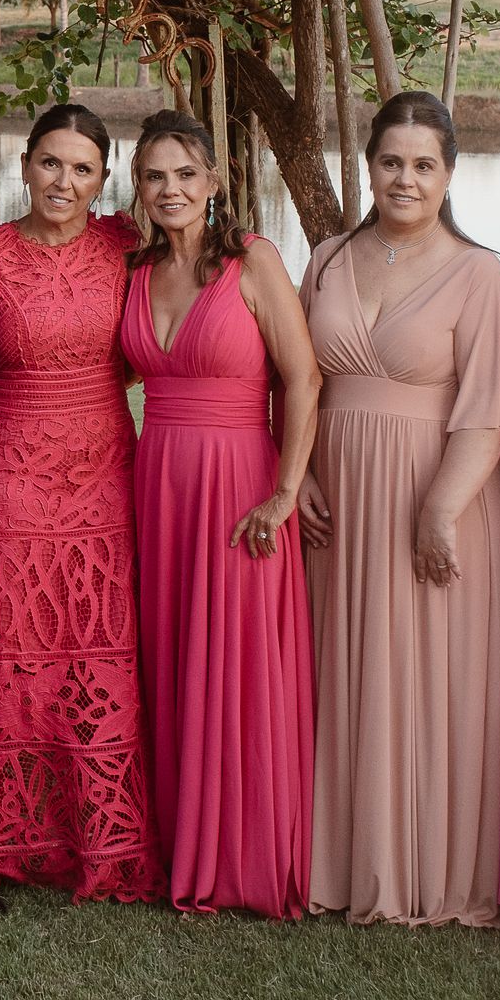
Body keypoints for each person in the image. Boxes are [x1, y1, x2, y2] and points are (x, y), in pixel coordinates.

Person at [296, 94, 500, 929]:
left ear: (450, 174)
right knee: (346, 676)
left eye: (425, 164)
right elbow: (302, 382)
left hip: (442, 496)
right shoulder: (325, 259)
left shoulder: (479, 272)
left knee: (429, 683)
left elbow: (490, 407)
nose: (406, 177)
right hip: (340, 503)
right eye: (392, 161)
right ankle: (344, 864)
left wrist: (439, 509)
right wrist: (301, 475)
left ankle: (427, 870)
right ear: (369, 166)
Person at [121, 109, 319, 918]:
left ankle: (244, 853)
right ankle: (177, 840)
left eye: (185, 175)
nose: (171, 191)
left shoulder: (254, 261)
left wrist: (284, 488)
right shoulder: (134, 269)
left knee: (236, 661)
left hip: (240, 483)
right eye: (155, 177)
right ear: (139, 188)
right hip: (158, 480)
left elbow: (303, 380)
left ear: (216, 181)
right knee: (171, 655)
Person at [0, 104, 159, 903]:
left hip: (106, 466)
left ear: (103, 180)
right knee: (21, 645)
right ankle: (21, 831)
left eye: (81, 169)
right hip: (14, 468)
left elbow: (149, 344)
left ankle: (103, 835)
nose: (63, 181)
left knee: (100, 641)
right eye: (50, 163)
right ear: (24, 165)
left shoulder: (125, 247)